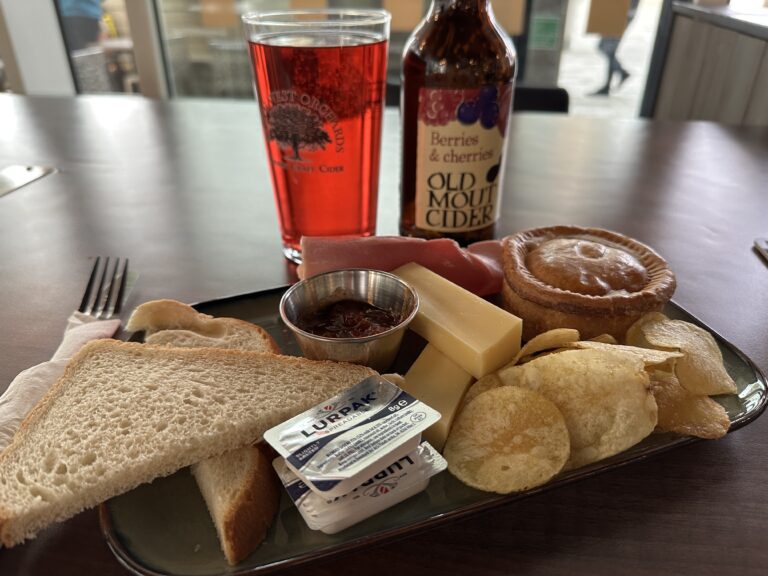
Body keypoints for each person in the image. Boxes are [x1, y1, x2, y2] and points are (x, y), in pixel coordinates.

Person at [592, 0, 640, 96]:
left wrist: (629, 11)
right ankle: (615, 78)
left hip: (620, 11)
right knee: (604, 47)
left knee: (607, 48)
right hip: (617, 9)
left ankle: (613, 80)